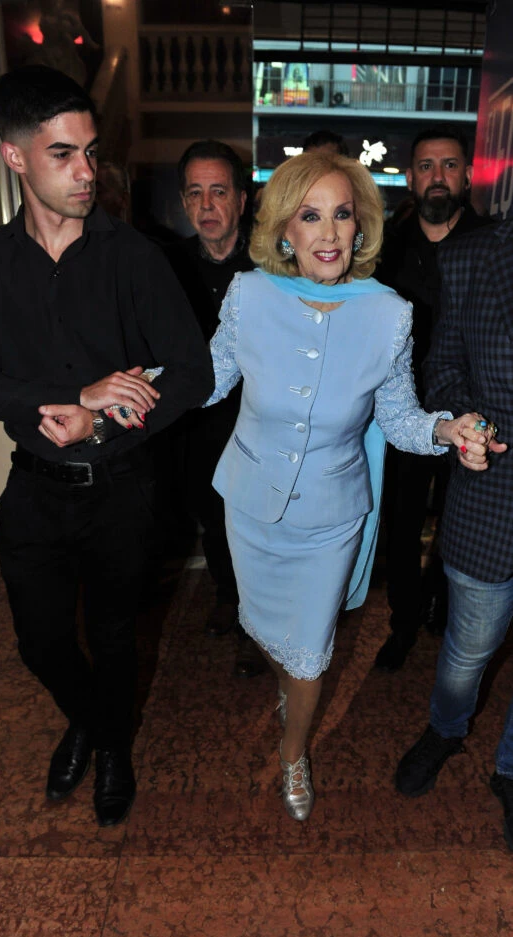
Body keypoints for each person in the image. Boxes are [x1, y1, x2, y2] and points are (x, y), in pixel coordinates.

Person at [204, 150, 491, 822]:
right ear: (284, 230)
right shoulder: (249, 296)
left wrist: (445, 429)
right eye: (310, 216)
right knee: (268, 635)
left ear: (360, 227)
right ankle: (290, 691)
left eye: (341, 215)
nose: (329, 233)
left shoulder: (388, 314)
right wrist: (129, 390)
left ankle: (292, 751)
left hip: (331, 518)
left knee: (309, 657)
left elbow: (399, 419)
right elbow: (206, 380)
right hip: (251, 506)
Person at [0, 65, 213, 828]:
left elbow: (193, 375)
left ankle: (110, 752)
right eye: (62, 154)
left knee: (113, 637)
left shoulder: (133, 257)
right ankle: (97, 724)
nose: (85, 171)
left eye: (91, 152)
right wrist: (75, 394)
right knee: (39, 643)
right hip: (33, 489)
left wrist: (98, 421)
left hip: (121, 490)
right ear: (14, 156)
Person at [395, 214, 513, 852]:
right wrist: (467, 424)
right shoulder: (469, 258)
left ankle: (511, 769)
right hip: (490, 497)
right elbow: (443, 368)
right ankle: (445, 730)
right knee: (468, 651)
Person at [374, 126, 491, 671]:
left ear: (467, 175)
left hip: (475, 411)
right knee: (400, 521)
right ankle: (402, 620)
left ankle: (444, 609)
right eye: (426, 166)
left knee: (460, 519)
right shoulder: (386, 249)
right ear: (409, 177)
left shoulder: (493, 244)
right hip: (405, 413)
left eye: (448, 165)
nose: (437, 176)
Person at [164, 139, 266, 678]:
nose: (207, 205)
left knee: (257, 527)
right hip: (197, 424)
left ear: (242, 201)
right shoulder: (167, 267)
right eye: (195, 193)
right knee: (212, 519)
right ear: (184, 201)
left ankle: (257, 624)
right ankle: (228, 594)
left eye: (219, 192)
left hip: (260, 424)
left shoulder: (272, 265)